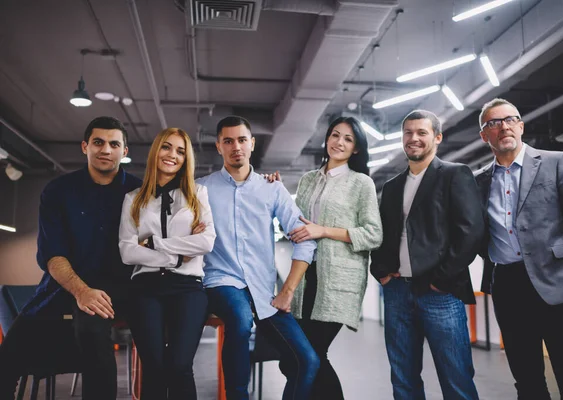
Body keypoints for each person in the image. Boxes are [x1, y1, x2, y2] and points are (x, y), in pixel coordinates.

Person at [0, 117, 141, 399]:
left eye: (114, 144)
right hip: (65, 285)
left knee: (94, 330)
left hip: (122, 289)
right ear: (84, 147)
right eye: (98, 142)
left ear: (124, 151)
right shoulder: (58, 191)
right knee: (8, 356)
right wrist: (81, 291)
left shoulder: (139, 193)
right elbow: (52, 254)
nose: (106, 149)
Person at [475, 98, 563, 399]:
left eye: (510, 119)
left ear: (520, 125)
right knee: (528, 382)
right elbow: (475, 233)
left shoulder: (556, 161)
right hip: (509, 286)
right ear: (484, 135)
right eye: (493, 122)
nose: (503, 126)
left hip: (559, 282)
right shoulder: (479, 181)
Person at [196, 115, 319, 400]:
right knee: (239, 321)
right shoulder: (201, 188)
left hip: (264, 291)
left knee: (308, 361)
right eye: (228, 141)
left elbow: (304, 239)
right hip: (221, 279)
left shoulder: (271, 188)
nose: (235, 146)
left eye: (241, 140)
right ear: (218, 146)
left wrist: (287, 291)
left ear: (252, 143)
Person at [370, 109, 482, 400]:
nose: (414, 138)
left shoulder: (455, 175)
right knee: (403, 378)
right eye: (408, 133)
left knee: (456, 377)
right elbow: (383, 234)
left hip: (440, 293)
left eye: (422, 132)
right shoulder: (392, 186)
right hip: (397, 293)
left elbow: (470, 232)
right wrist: (380, 271)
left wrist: (441, 279)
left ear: (437, 137)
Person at [287, 116, 382, 399]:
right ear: (327, 138)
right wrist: (273, 188)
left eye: (348, 139)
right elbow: (297, 223)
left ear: (356, 149)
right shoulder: (307, 180)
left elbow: (373, 234)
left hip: (338, 280)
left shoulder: (360, 183)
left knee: (312, 353)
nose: (339, 142)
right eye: (335, 135)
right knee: (299, 358)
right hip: (304, 277)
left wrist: (323, 231)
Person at [118, 127, 216, 399]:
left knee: (180, 365)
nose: (172, 155)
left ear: (186, 159)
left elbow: (206, 243)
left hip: (188, 287)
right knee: (155, 366)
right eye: (166, 147)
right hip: (145, 287)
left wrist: (153, 244)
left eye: (180, 151)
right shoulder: (133, 199)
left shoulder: (198, 195)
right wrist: (178, 254)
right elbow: (127, 252)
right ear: (155, 151)